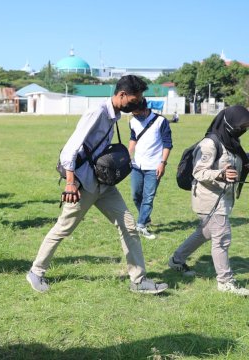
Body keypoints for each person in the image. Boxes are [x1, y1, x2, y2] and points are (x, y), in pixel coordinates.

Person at [26, 75, 168, 294]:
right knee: (63, 228)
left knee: (129, 225)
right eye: (135, 98)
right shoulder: (97, 113)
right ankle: (36, 272)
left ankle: (138, 281)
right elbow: (69, 151)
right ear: (122, 95)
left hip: (103, 183)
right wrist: (70, 184)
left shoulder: (115, 115)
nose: (138, 103)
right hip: (83, 185)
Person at [168, 106, 249, 296]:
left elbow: (239, 160)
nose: (243, 129)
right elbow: (198, 172)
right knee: (222, 237)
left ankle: (176, 260)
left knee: (204, 233)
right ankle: (225, 281)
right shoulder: (209, 144)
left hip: (223, 197)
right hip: (208, 199)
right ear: (229, 123)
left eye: (246, 126)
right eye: (241, 125)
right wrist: (220, 174)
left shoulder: (232, 141)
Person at [128, 99, 173, 239]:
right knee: (136, 195)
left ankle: (141, 225)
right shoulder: (132, 121)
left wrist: (162, 163)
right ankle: (145, 218)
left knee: (148, 197)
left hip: (154, 166)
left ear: (144, 109)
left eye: (137, 113)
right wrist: (128, 155)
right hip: (137, 165)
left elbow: (167, 143)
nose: (135, 116)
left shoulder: (161, 121)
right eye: (133, 113)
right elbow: (133, 138)